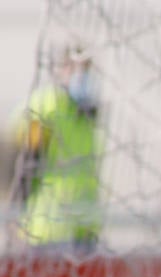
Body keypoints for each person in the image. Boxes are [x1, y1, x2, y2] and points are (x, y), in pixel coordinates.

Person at [9, 44, 101, 248]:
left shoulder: (88, 114)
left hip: (83, 232)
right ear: (62, 70)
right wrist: (14, 213)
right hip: (47, 231)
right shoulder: (48, 105)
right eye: (77, 69)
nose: (83, 76)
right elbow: (28, 160)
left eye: (87, 69)